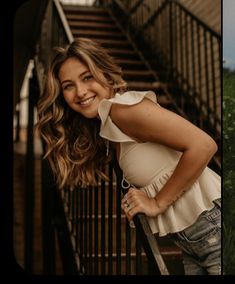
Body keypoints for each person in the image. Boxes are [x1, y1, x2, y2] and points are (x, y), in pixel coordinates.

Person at [36, 37, 221, 275]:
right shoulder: (109, 125)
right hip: (193, 240)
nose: (80, 92)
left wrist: (157, 202)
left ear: (105, 74)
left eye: (87, 77)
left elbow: (203, 145)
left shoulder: (125, 110)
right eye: (68, 85)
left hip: (213, 227)